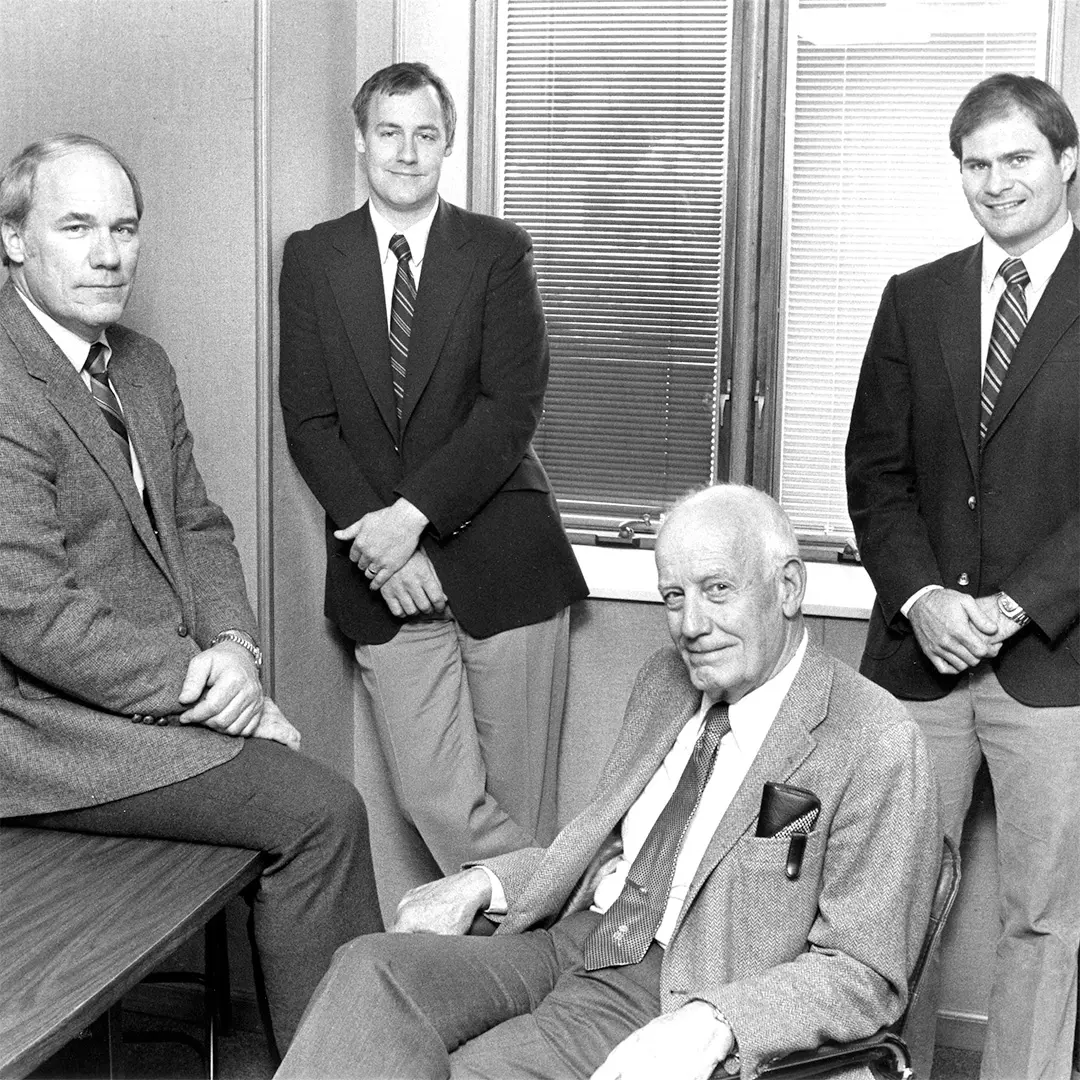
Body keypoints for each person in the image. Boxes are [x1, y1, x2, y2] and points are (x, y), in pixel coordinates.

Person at [275, 483, 941, 1080]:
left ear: (789, 587)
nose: (691, 626)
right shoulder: (664, 682)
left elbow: (864, 973)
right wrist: (485, 881)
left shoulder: (872, 739)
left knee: (473, 1072)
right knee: (371, 970)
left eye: (717, 591)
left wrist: (714, 1023)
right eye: (674, 598)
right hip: (573, 937)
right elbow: (603, 849)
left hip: (674, 984)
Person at [0, 134, 382, 1054]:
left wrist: (238, 650)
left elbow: (200, 525)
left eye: (124, 228)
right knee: (325, 813)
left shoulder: (140, 363)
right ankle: (347, 1068)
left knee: (312, 797)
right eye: (77, 226)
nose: (108, 253)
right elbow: (30, 614)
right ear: (14, 240)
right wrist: (212, 697)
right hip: (47, 733)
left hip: (160, 691)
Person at [278, 61, 588, 891]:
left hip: (506, 567)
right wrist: (384, 548)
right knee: (438, 801)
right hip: (386, 581)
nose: (406, 152)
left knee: (521, 805)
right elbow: (309, 421)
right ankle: (549, 940)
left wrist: (409, 518)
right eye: (389, 132)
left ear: (447, 142)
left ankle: (519, 1003)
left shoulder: (495, 251)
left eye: (425, 134)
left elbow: (510, 406)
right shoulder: (313, 258)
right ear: (360, 141)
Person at [846, 73, 1079, 1080]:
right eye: (975, 164)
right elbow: (875, 473)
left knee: (1044, 920)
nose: (995, 182)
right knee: (887, 905)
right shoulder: (918, 297)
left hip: (1057, 664)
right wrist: (924, 596)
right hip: (918, 661)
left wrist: (1020, 604)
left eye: (1016, 158)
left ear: (1067, 162)